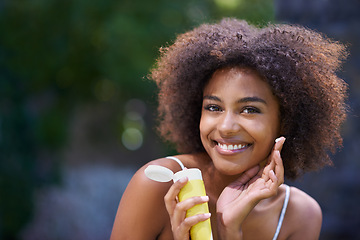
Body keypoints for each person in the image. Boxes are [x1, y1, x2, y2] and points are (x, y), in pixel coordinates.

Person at [110, 18, 348, 240]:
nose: (226, 127)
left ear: (284, 122)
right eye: (213, 107)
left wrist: (230, 231)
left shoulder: (299, 216)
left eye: (249, 110)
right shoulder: (159, 185)